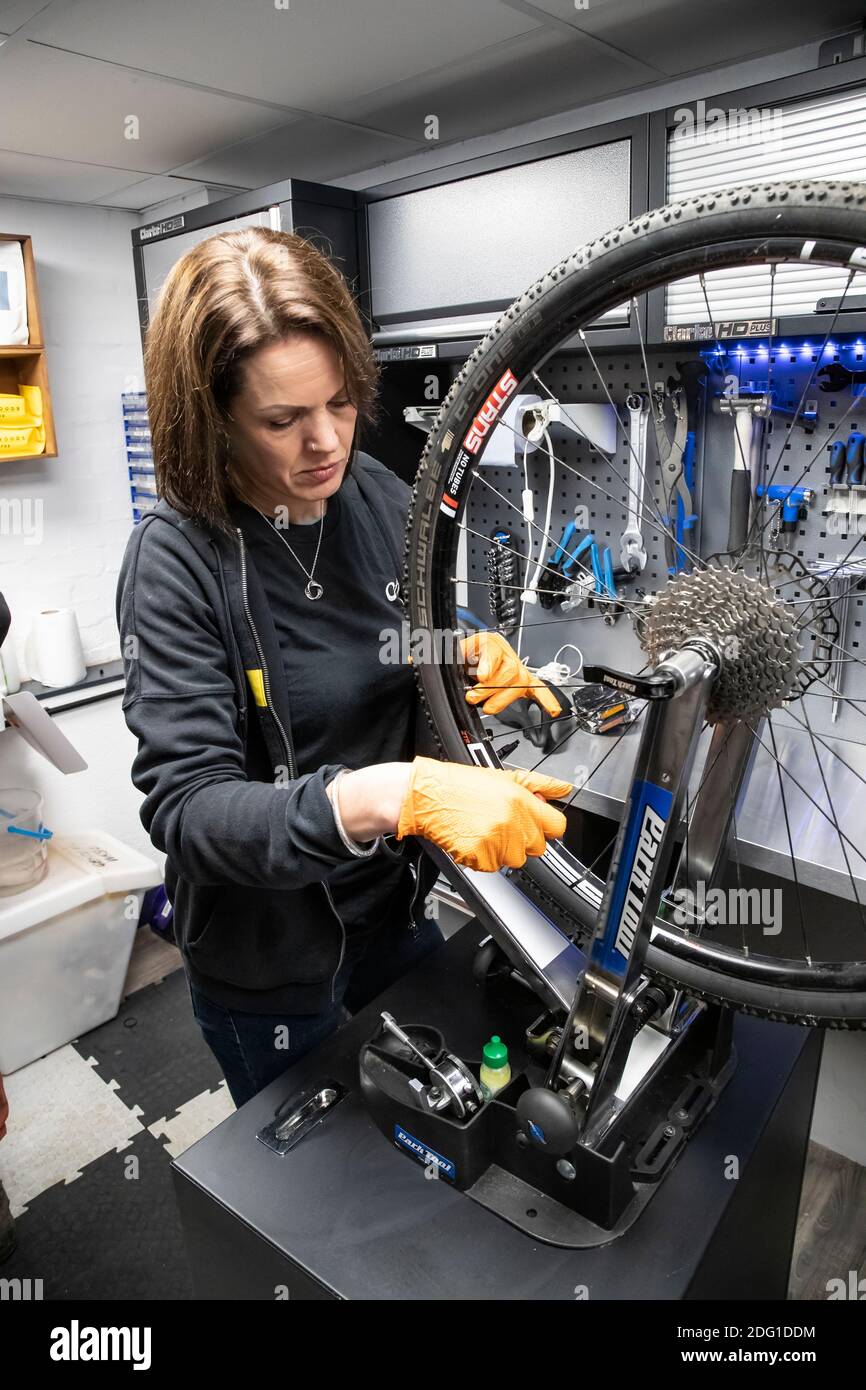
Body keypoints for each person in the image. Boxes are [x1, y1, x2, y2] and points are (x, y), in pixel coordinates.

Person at [116, 227, 572, 1108]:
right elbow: (189, 808)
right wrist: (395, 795)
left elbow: (394, 632)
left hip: (391, 914)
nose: (324, 442)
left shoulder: (365, 489)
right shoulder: (175, 561)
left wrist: (463, 648)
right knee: (309, 1209)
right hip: (271, 966)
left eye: (339, 403)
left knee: (430, 1143)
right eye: (281, 421)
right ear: (210, 419)